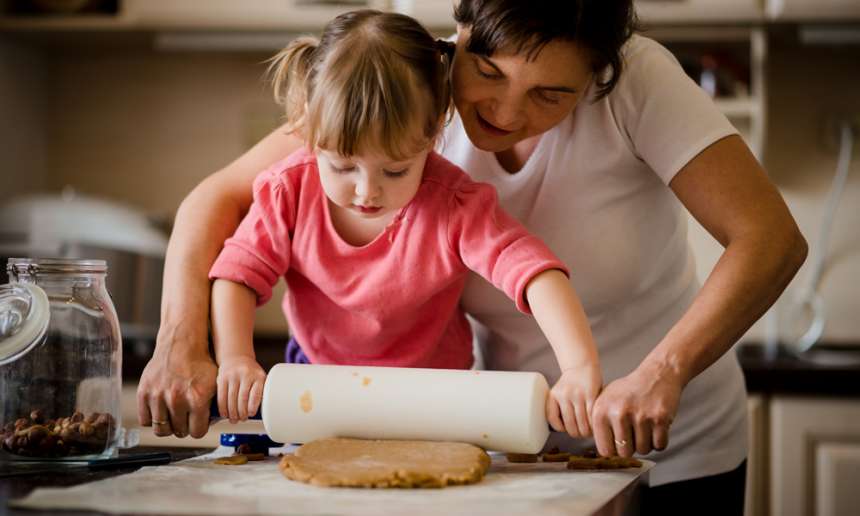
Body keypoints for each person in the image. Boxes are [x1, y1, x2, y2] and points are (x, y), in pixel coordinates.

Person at [138, 1, 807, 513]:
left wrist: (663, 371)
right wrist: (185, 342)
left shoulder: (640, 83)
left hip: (670, 439)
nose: (506, 112)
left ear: (600, 75)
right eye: (485, 72)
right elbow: (217, 199)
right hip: (513, 440)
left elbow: (771, 239)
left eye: (552, 94)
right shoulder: (406, 89)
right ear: (458, 29)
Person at [204, 10, 602, 438]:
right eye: (341, 166)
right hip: (318, 394)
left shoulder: (453, 205)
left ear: (433, 135)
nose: (366, 192)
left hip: (434, 402)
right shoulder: (289, 191)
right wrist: (236, 359)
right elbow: (237, 275)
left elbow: (533, 272)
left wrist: (579, 366)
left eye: (395, 172)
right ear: (309, 129)